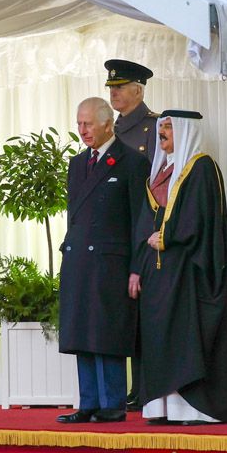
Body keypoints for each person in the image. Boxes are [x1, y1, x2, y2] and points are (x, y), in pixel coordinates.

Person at [136, 110, 227, 425]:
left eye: (168, 128)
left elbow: (200, 219)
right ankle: (162, 407)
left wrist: (166, 237)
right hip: (160, 273)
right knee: (161, 336)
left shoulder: (201, 168)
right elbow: (145, 218)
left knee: (185, 337)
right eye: (161, 128)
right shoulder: (161, 171)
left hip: (189, 271)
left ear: (185, 131)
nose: (162, 133)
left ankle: (192, 409)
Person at [57, 97, 149, 424]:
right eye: (79, 123)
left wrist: (137, 268)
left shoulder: (132, 163)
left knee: (107, 332)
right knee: (82, 331)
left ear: (107, 124)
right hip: (79, 259)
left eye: (88, 124)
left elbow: (141, 220)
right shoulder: (77, 163)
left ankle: (113, 404)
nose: (82, 130)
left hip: (112, 262)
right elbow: (74, 217)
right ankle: (89, 404)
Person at [104, 58, 158, 410]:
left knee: (143, 314)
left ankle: (145, 387)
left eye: (120, 87)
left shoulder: (153, 129)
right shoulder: (112, 130)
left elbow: (156, 190)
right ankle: (127, 388)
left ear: (138, 90)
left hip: (144, 230)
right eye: (111, 87)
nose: (114, 93)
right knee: (119, 313)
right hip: (115, 234)